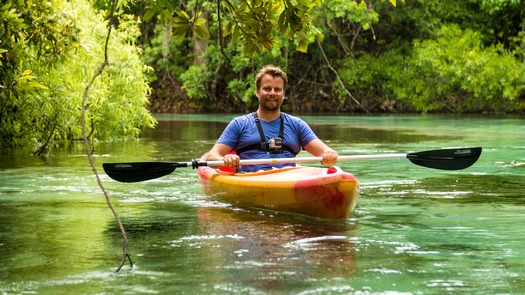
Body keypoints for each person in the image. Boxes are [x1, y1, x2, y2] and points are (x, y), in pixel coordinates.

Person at [203, 65, 338, 172]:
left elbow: (324, 151)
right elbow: (211, 156)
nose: (272, 93)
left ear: (283, 94)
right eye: (267, 89)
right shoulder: (239, 124)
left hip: (287, 179)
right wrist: (226, 158)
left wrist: (329, 154)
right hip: (250, 181)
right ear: (257, 92)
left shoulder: (297, 125)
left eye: (277, 90)